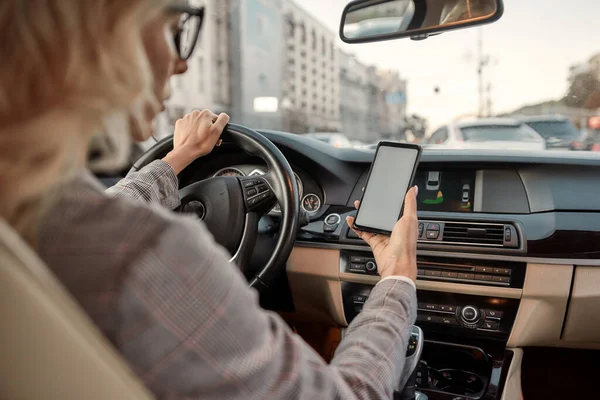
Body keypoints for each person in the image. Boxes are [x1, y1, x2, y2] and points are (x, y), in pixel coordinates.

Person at [0, 2, 419, 400]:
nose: (181, 62)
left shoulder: (39, 213)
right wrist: (396, 283)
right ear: (101, 36)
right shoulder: (148, 254)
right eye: (174, 30)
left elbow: (117, 202)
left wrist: (180, 157)